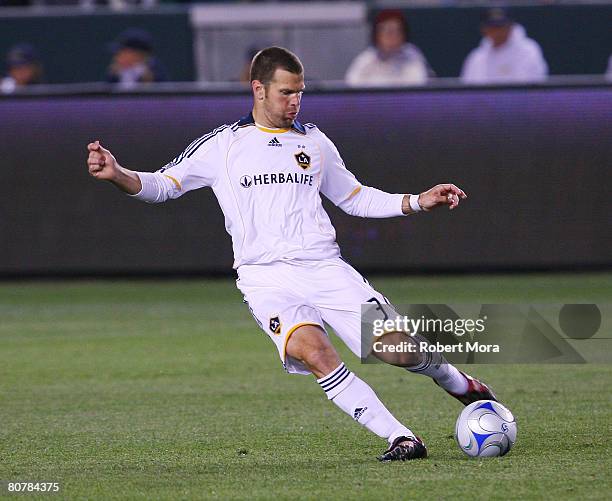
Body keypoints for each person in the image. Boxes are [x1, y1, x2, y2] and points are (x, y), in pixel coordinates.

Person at [87, 46, 497, 461]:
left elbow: (354, 197)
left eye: (300, 92)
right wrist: (118, 174)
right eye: (286, 92)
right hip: (264, 277)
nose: (295, 101)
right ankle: (401, 437)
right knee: (314, 353)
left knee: (398, 350)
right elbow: (162, 185)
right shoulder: (224, 145)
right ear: (258, 89)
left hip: (323, 268)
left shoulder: (314, 141)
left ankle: (458, 382)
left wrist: (416, 201)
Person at [345, 10, 432, 87]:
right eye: (387, 31)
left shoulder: (412, 55)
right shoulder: (367, 59)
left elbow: (420, 86)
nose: (392, 36)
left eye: (397, 30)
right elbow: (351, 87)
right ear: (377, 34)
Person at [461, 8, 548, 85]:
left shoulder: (529, 50)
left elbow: (534, 89)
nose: (497, 32)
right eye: (492, 27)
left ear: (510, 27)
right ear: (484, 29)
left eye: (501, 27)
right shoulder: (476, 57)